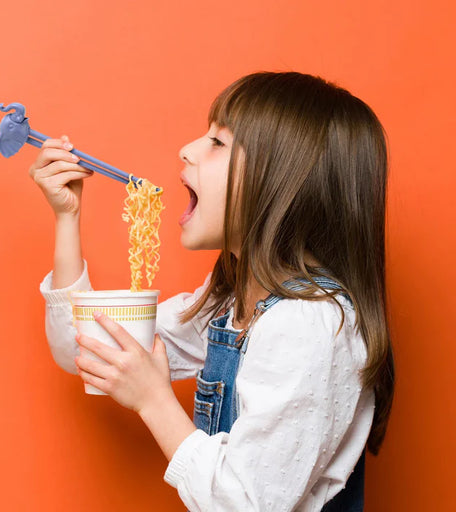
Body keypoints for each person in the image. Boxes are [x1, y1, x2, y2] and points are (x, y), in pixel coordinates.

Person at [32, 71, 395, 511]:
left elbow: (246, 502)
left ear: (283, 179)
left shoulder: (310, 324)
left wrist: (154, 401)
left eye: (218, 142)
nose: (186, 149)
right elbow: (87, 349)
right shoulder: (231, 302)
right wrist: (67, 218)